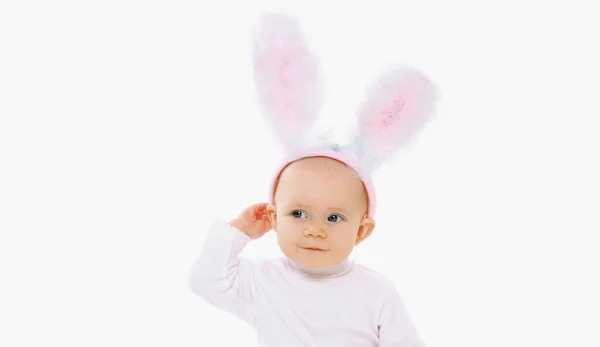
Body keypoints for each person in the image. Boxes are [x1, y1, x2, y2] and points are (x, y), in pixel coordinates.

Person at [188, 13, 438, 347]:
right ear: (274, 218)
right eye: (298, 214)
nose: (314, 229)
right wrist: (238, 232)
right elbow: (206, 281)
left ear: (361, 230)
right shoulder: (263, 282)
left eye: (334, 217)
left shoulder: (376, 293)